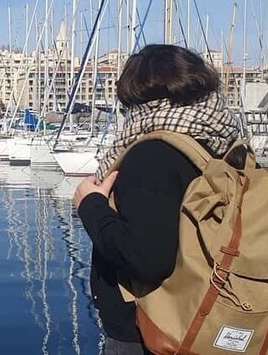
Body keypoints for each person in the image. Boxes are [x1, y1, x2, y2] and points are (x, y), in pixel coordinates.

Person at [72, 44, 241, 355]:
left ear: (139, 99)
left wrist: (90, 205)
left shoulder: (151, 154)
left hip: (153, 330)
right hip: (212, 316)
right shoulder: (222, 142)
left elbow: (146, 259)